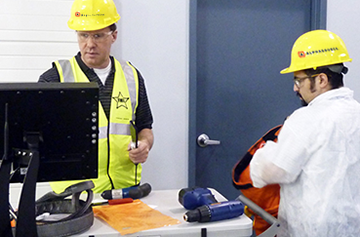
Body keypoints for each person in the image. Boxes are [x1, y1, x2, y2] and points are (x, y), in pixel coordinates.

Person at [249, 29, 360, 236]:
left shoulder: (305, 119)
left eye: (298, 80)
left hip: (311, 230)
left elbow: (273, 170)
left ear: (321, 80)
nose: (295, 88)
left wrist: (265, 152)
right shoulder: (357, 113)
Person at [39, 0, 154, 194]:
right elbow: (36, 136)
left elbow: (145, 127)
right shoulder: (54, 79)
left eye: (98, 36)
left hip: (124, 192)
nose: (90, 44)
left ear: (113, 36)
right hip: (75, 195)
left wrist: (144, 145)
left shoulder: (132, 76)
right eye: (83, 35)